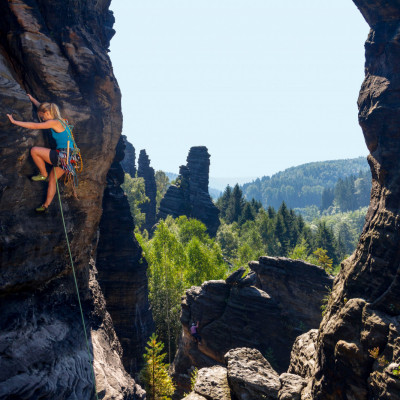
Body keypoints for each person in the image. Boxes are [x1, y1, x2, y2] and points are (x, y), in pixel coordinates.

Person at [7, 94, 75, 213]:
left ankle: (43, 174)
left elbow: (34, 125)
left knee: (35, 151)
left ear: (47, 113)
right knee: (52, 180)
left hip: (62, 156)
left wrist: (15, 122)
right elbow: (41, 107)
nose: (42, 119)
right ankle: (45, 206)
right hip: (70, 158)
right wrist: (32, 99)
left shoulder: (53, 122)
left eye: (42, 117)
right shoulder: (61, 120)